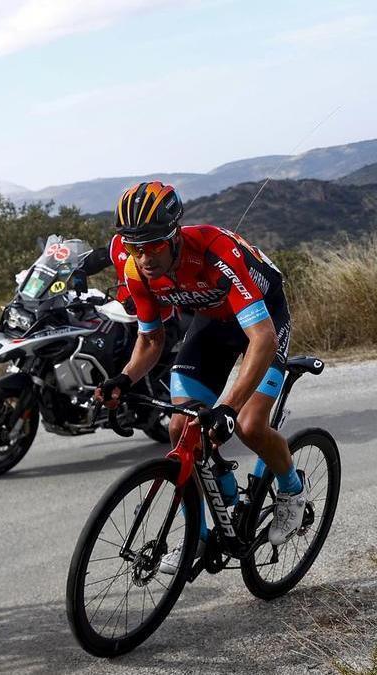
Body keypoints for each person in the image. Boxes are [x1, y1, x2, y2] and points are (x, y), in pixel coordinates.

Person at [95, 181, 303, 573]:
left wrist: (227, 406)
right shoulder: (135, 266)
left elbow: (262, 338)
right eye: (135, 246)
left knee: (248, 424)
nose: (144, 257)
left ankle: (292, 490)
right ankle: (204, 532)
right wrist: (122, 379)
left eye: (154, 244)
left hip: (264, 319)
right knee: (180, 428)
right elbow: (151, 341)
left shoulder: (214, 252)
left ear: (174, 236)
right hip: (213, 322)